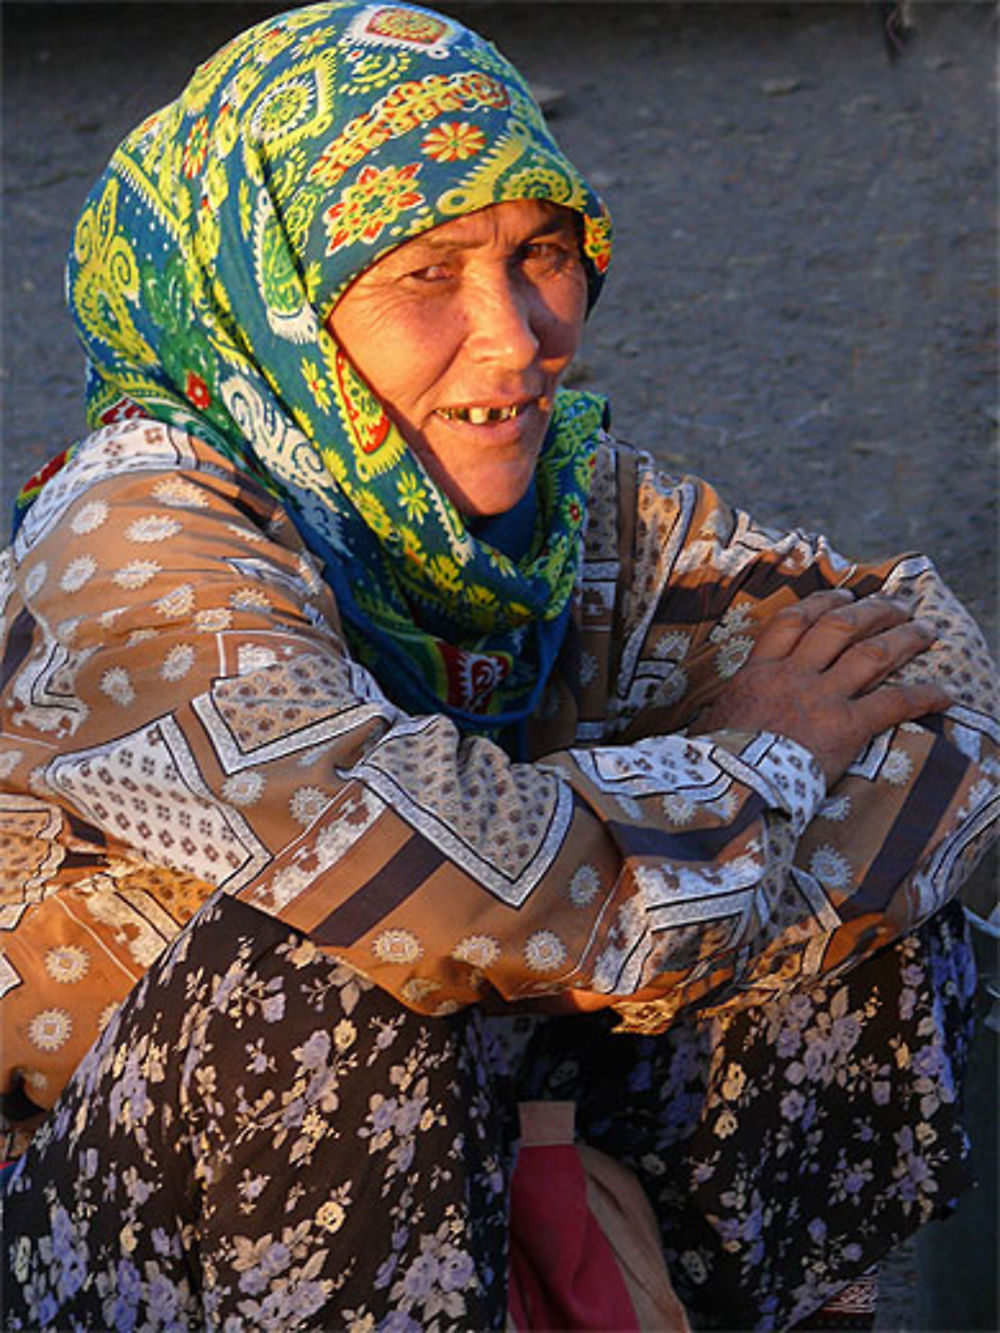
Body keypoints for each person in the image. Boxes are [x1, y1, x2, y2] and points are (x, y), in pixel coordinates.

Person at [1, 3, 995, 1329]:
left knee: (889, 949)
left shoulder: (558, 514)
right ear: (280, 295)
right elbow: (426, 886)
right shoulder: (132, 541)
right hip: (104, 1245)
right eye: (424, 274)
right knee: (331, 974)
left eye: (542, 253)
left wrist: (673, 892)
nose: (520, 335)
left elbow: (922, 666)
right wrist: (745, 774)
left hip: (478, 1141)